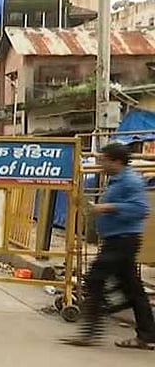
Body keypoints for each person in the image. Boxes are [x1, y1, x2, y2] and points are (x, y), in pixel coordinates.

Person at [66, 142, 155, 349]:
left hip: (123, 241)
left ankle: (90, 332)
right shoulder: (118, 180)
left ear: (116, 161)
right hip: (116, 239)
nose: (101, 163)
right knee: (133, 289)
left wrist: (108, 207)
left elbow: (141, 209)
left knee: (95, 279)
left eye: (105, 160)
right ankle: (147, 335)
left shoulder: (130, 181)